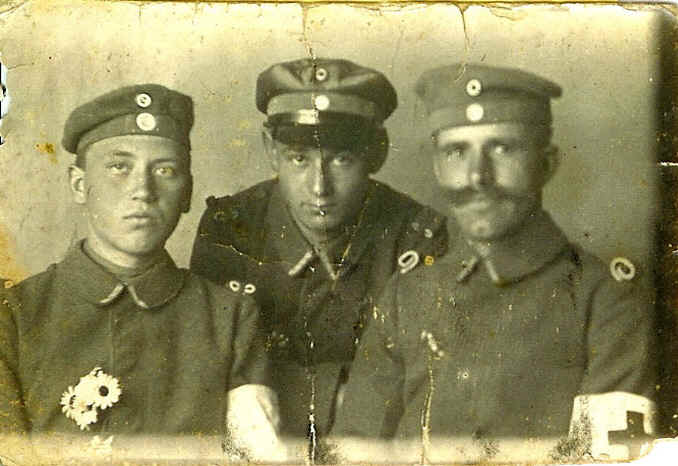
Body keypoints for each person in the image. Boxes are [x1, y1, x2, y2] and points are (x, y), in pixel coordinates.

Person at [334, 63, 657, 456]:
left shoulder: (605, 302)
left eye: (503, 149)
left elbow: (610, 460)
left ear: (547, 163)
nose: (477, 177)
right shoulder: (406, 296)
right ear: (437, 167)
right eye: (456, 152)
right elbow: (353, 451)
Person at [0, 84, 281, 457]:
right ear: (80, 185)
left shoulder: (229, 318)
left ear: (187, 192)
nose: (143, 190)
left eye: (165, 170)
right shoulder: (15, 317)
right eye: (119, 167)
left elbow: (259, 457)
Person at [190, 58, 447, 440]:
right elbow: (207, 377)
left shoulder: (416, 237)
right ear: (270, 149)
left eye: (342, 159)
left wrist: (281, 390)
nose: (319, 187)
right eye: (299, 158)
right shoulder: (231, 228)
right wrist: (341, 394)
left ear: (376, 152)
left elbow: (425, 388)